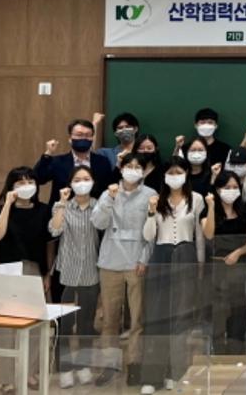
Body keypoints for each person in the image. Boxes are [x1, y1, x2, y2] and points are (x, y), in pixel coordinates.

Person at [140, 156, 212, 394]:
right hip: (161, 256)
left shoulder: (196, 199)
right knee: (156, 316)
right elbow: (148, 236)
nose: (175, 176)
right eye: (170, 172)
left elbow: (199, 235)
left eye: (178, 172)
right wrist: (151, 212)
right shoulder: (156, 199)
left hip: (186, 255)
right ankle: (152, 377)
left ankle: (176, 373)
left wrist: (199, 264)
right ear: (164, 176)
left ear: (186, 174)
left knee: (180, 317)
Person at [90, 153, 156, 386]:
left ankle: (134, 364)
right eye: (129, 166)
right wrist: (109, 198)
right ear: (121, 168)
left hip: (136, 263)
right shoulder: (108, 193)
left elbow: (152, 232)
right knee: (109, 319)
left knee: (137, 319)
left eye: (138, 167)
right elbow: (98, 223)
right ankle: (109, 364)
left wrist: (144, 259)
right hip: (110, 262)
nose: (133, 170)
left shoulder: (150, 195)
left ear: (144, 171)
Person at [0, 168, 52, 395]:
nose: (26, 186)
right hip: (7, 270)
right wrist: (7, 204)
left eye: (30, 181)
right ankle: (4, 377)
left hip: (34, 268)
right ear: (11, 187)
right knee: (4, 326)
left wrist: (47, 273)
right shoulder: (1, 210)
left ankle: (29, 372)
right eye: (20, 182)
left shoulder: (43, 210)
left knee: (34, 324)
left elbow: (49, 243)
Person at [49, 166, 101, 388]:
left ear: (93, 182)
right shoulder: (61, 206)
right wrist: (62, 202)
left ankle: (83, 365)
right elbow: (54, 230)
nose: (82, 183)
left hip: (91, 270)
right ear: (70, 183)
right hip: (67, 273)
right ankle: (65, 368)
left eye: (86, 178)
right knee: (65, 324)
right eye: (77, 179)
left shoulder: (99, 205)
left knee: (86, 324)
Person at [206, 171, 246, 354]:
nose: (231, 190)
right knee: (218, 309)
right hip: (217, 267)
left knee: (239, 308)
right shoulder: (210, 210)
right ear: (218, 189)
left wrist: (239, 252)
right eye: (227, 187)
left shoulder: (243, 211)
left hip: (240, 265)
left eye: (235, 187)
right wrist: (210, 207)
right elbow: (208, 234)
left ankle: (237, 348)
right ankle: (217, 350)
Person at [34, 118, 113, 205]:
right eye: (79, 135)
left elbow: (108, 188)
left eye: (88, 135)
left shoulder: (102, 161)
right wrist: (48, 153)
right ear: (70, 138)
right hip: (62, 210)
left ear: (92, 138)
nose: (84, 138)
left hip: (94, 210)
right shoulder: (58, 162)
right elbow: (39, 178)